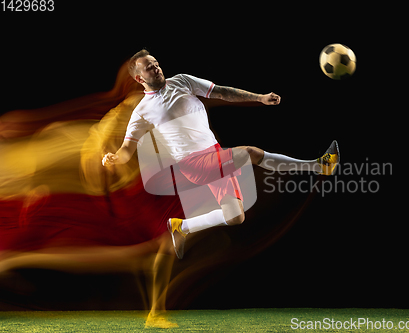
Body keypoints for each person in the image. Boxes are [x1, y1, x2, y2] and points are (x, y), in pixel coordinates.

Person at [102, 49, 339, 259]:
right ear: (139, 78)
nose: (156, 67)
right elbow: (126, 150)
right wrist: (115, 157)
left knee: (235, 215)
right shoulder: (142, 112)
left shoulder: (182, 81)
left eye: (155, 62)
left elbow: (222, 92)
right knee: (250, 153)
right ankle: (319, 166)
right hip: (193, 164)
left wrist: (259, 98)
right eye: (149, 67)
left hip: (213, 153)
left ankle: (181, 227)